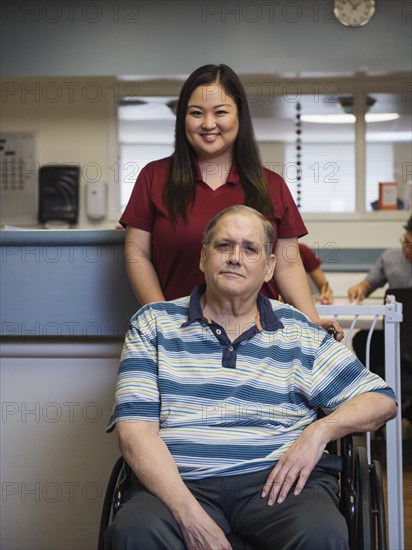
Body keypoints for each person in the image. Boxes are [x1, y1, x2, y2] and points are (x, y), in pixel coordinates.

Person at [105, 205, 397, 550]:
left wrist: (321, 431)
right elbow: (134, 435)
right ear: (203, 257)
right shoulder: (152, 324)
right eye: (223, 246)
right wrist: (189, 515)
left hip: (281, 486)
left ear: (270, 267)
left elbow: (382, 399)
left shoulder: (299, 331)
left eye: (250, 249)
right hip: (179, 483)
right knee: (132, 532)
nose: (235, 258)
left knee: (323, 534)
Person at [120, 63, 343, 339]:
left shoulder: (271, 185)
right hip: (180, 337)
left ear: (240, 117)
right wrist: (161, 318)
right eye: (196, 113)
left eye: (221, 112)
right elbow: (136, 254)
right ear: (182, 118)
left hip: (261, 340)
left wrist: (311, 320)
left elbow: (287, 262)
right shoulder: (154, 177)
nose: (208, 124)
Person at [347, 215, 412, 302]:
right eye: (406, 241)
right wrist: (360, 289)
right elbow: (367, 285)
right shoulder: (390, 258)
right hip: (396, 315)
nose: (407, 249)